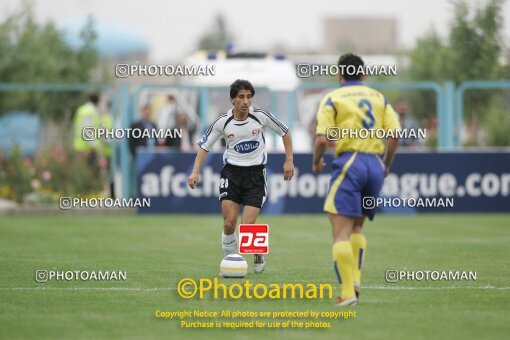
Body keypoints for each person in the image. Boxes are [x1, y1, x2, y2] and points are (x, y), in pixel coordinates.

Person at [312, 53, 400, 306]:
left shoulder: (332, 98)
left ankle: (348, 292)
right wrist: (385, 165)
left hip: (351, 162)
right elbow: (394, 137)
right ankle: (356, 281)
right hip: (374, 164)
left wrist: (316, 161)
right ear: (363, 75)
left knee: (339, 231)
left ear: (340, 75)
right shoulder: (379, 98)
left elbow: (321, 140)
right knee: (357, 227)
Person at [187, 79, 294, 274]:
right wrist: (195, 172)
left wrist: (289, 160)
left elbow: (285, 132)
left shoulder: (260, 116)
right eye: (241, 97)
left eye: (249, 97)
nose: (246, 101)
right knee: (228, 223)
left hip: (256, 176)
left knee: (247, 227)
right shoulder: (222, 122)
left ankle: (257, 252)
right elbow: (204, 147)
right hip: (232, 173)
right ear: (232, 100)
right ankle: (230, 261)